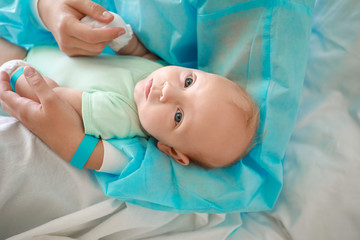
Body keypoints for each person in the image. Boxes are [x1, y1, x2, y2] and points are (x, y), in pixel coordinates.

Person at [0, 25, 259, 170]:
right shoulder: (159, 73)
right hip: (34, 49)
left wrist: (20, 75)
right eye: (189, 81)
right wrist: (123, 37)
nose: (167, 91)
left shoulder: (120, 115)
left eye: (178, 116)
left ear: (170, 150)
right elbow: (140, 56)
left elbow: (54, 99)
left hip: (19, 72)